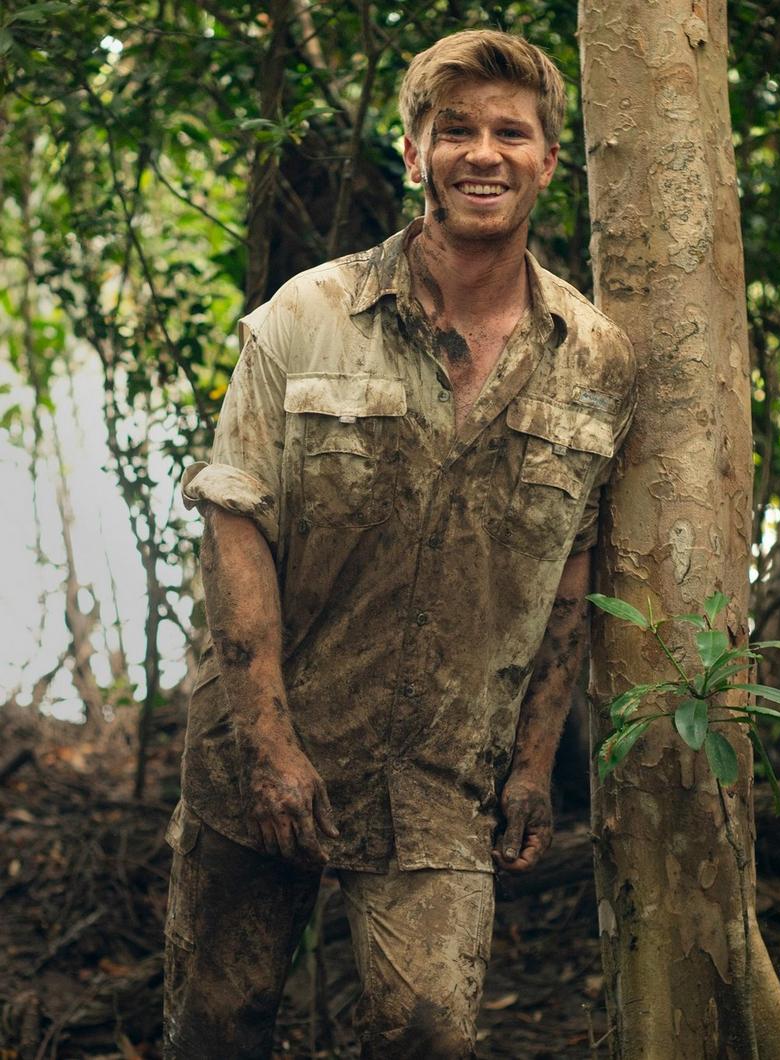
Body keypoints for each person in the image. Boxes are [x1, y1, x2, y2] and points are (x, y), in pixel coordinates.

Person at [163, 28, 636, 1060]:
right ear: (414, 151)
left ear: (548, 161)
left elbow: (572, 567)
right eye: (453, 129)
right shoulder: (309, 314)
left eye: (509, 133)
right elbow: (235, 522)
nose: (482, 153)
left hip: (440, 772)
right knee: (220, 1025)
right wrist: (271, 741)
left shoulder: (594, 357)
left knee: (427, 1034)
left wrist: (530, 762)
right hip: (263, 745)